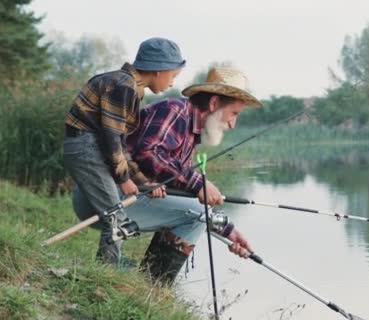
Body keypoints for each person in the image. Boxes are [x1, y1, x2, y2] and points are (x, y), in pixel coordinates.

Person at [112, 66, 260, 284]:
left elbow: (181, 191)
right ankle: (154, 286)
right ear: (214, 104)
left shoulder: (189, 133)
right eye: (233, 113)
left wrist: (229, 231)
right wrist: (198, 182)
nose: (232, 124)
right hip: (109, 198)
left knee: (198, 212)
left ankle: (149, 288)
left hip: (127, 200)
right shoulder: (176, 110)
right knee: (197, 214)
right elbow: (148, 152)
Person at [64, 38, 185, 265]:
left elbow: (120, 144)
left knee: (115, 214)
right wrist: (124, 179)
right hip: (85, 147)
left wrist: (142, 182)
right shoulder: (123, 86)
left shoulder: (129, 86)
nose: (171, 83)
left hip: (90, 146)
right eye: (173, 76)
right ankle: (107, 271)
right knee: (116, 216)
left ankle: (111, 265)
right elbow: (110, 138)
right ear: (159, 70)